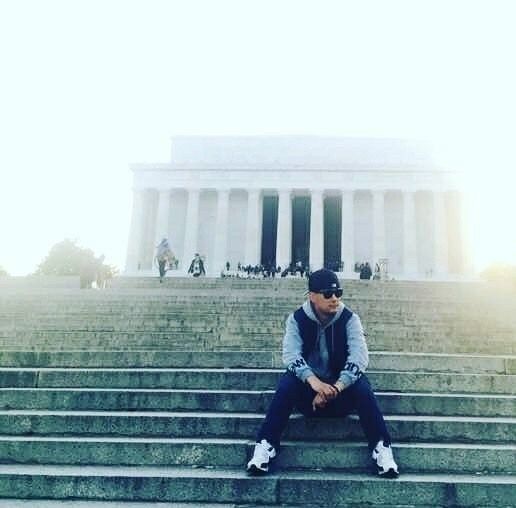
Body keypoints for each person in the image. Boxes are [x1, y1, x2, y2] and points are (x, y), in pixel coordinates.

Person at [246, 268, 399, 478]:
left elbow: (359, 358)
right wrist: (314, 383)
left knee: (362, 385)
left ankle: (382, 448)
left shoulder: (350, 319)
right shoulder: (297, 319)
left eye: (338, 293)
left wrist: (335, 388)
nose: (334, 298)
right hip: (308, 397)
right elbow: (291, 355)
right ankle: (265, 445)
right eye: (328, 294)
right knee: (288, 382)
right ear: (312, 296)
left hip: (341, 395)